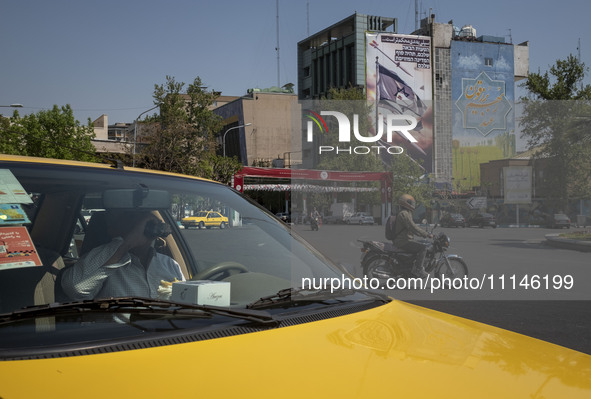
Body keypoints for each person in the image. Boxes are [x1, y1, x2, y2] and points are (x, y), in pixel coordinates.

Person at [61, 210, 184, 301]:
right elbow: (75, 288)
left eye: (147, 220)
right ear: (112, 229)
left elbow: (188, 300)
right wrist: (126, 244)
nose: (142, 225)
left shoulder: (170, 265)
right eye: (132, 217)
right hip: (123, 335)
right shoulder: (102, 264)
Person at [391, 194, 432, 278]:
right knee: (423, 248)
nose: (413, 204)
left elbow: (412, 227)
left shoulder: (406, 213)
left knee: (420, 244)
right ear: (405, 203)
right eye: (411, 202)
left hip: (404, 239)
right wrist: (426, 234)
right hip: (403, 241)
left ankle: (412, 265)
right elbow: (412, 227)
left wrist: (422, 233)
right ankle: (418, 269)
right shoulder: (404, 214)